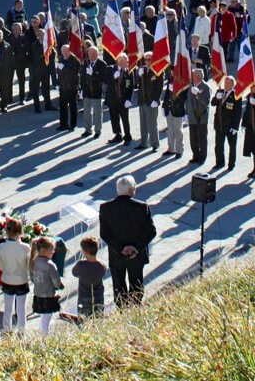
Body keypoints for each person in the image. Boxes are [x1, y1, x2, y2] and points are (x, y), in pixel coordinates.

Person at [99, 175, 157, 306]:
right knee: (136, 284)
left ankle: (122, 310)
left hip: (116, 254)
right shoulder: (142, 207)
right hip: (137, 255)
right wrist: (136, 248)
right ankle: (135, 308)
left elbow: (104, 233)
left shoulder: (106, 208)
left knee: (118, 285)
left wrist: (120, 249)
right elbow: (151, 231)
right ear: (132, 190)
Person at [0, 218, 30, 334]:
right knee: (21, 309)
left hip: (7, 279)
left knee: (8, 308)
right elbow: (28, 266)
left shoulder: (1, 248)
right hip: (21, 280)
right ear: (20, 231)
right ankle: (21, 331)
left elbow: (0, 267)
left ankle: (7, 330)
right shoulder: (25, 248)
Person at [30, 236, 63, 335]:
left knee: (43, 317)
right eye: (52, 250)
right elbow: (56, 281)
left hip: (38, 294)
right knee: (46, 318)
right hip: (48, 295)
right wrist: (60, 285)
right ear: (45, 250)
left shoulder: (34, 261)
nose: (53, 252)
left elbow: (32, 277)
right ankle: (44, 336)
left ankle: (42, 333)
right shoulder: (50, 264)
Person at [71, 236, 106, 319]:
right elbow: (103, 272)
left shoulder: (80, 265)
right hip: (98, 297)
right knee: (98, 317)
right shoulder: (101, 265)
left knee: (84, 318)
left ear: (85, 252)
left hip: (84, 297)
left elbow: (74, 273)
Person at [211, 75, 240, 171]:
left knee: (232, 146)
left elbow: (238, 113)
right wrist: (216, 98)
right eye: (225, 82)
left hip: (230, 126)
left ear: (233, 84)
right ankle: (219, 162)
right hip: (219, 124)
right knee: (218, 145)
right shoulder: (220, 92)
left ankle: (231, 164)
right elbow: (213, 103)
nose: (226, 84)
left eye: (228, 83)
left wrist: (235, 127)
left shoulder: (236, 96)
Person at [135, 52, 162, 151]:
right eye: (145, 59)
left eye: (149, 59)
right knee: (143, 123)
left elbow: (159, 86)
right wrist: (138, 75)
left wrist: (156, 99)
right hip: (142, 99)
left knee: (152, 124)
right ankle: (143, 142)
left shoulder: (157, 70)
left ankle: (155, 143)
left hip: (152, 101)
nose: (147, 61)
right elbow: (137, 83)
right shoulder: (142, 69)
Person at [104, 55, 134, 145]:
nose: (127, 64)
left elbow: (130, 86)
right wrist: (113, 77)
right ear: (119, 62)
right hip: (113, 99)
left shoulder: (128, 72)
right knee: (114, 118)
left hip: (123, 100)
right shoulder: (111, 69)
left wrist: (129, 99)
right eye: (126, 62)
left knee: (125, 119)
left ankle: (127, 136)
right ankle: (118, 135)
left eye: (127, 62)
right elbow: (105, 81)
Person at [80, 46, 107, 139]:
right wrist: (81, 89)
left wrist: (94, 73)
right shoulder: (86, 63)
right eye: (89, 53)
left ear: (97, 54)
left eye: (93, 53)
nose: (91, 55)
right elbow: (82, 77)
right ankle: (88, 129)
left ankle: (98, 130)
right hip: (87, 92)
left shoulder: (102, 64)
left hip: (96, 92)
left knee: (98, 113)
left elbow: (104, 78)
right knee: (87, 113)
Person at [187, 69, 210, 164]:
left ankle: (202, 157)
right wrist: (186, 112)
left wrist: (198, 94)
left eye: (193, 75)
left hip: (202, 116)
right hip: (192, 115)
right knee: (193, 138)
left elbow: (206, 102)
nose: (191, 76)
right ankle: (195, 155)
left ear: (198, 76)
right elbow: (188, 100)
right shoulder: (190, 86)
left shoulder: (205, 87)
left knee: (201, 138)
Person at [57, 44, 80, 131]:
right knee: (62, 106)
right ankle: (63, 124)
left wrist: (64, 68)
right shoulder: (61, 59)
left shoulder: (74, 60)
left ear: (70, 51)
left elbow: (74, 73)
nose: (65, 53)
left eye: (66, 51)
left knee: (72, 106)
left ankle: (73, 125)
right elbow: (59, 72)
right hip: (63, 87)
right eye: (63, 51)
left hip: (72, 87)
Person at [0, 29, 15, 113]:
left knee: (4, 90)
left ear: (2, 37)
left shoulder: (7, 46)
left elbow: (11, 59)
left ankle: (4, 105)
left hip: (4, 72)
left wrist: (10, 71)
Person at [161, 76, 184, 158]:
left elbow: (184, 97)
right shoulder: (170, 79)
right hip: (169, 108)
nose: (172, 72)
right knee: (170, 129)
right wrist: (164, 105)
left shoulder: (182, 80)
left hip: (177, 109)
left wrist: (175, 92)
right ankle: (171, 148)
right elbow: (167, 94)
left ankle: (179, 150)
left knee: (178, 130)